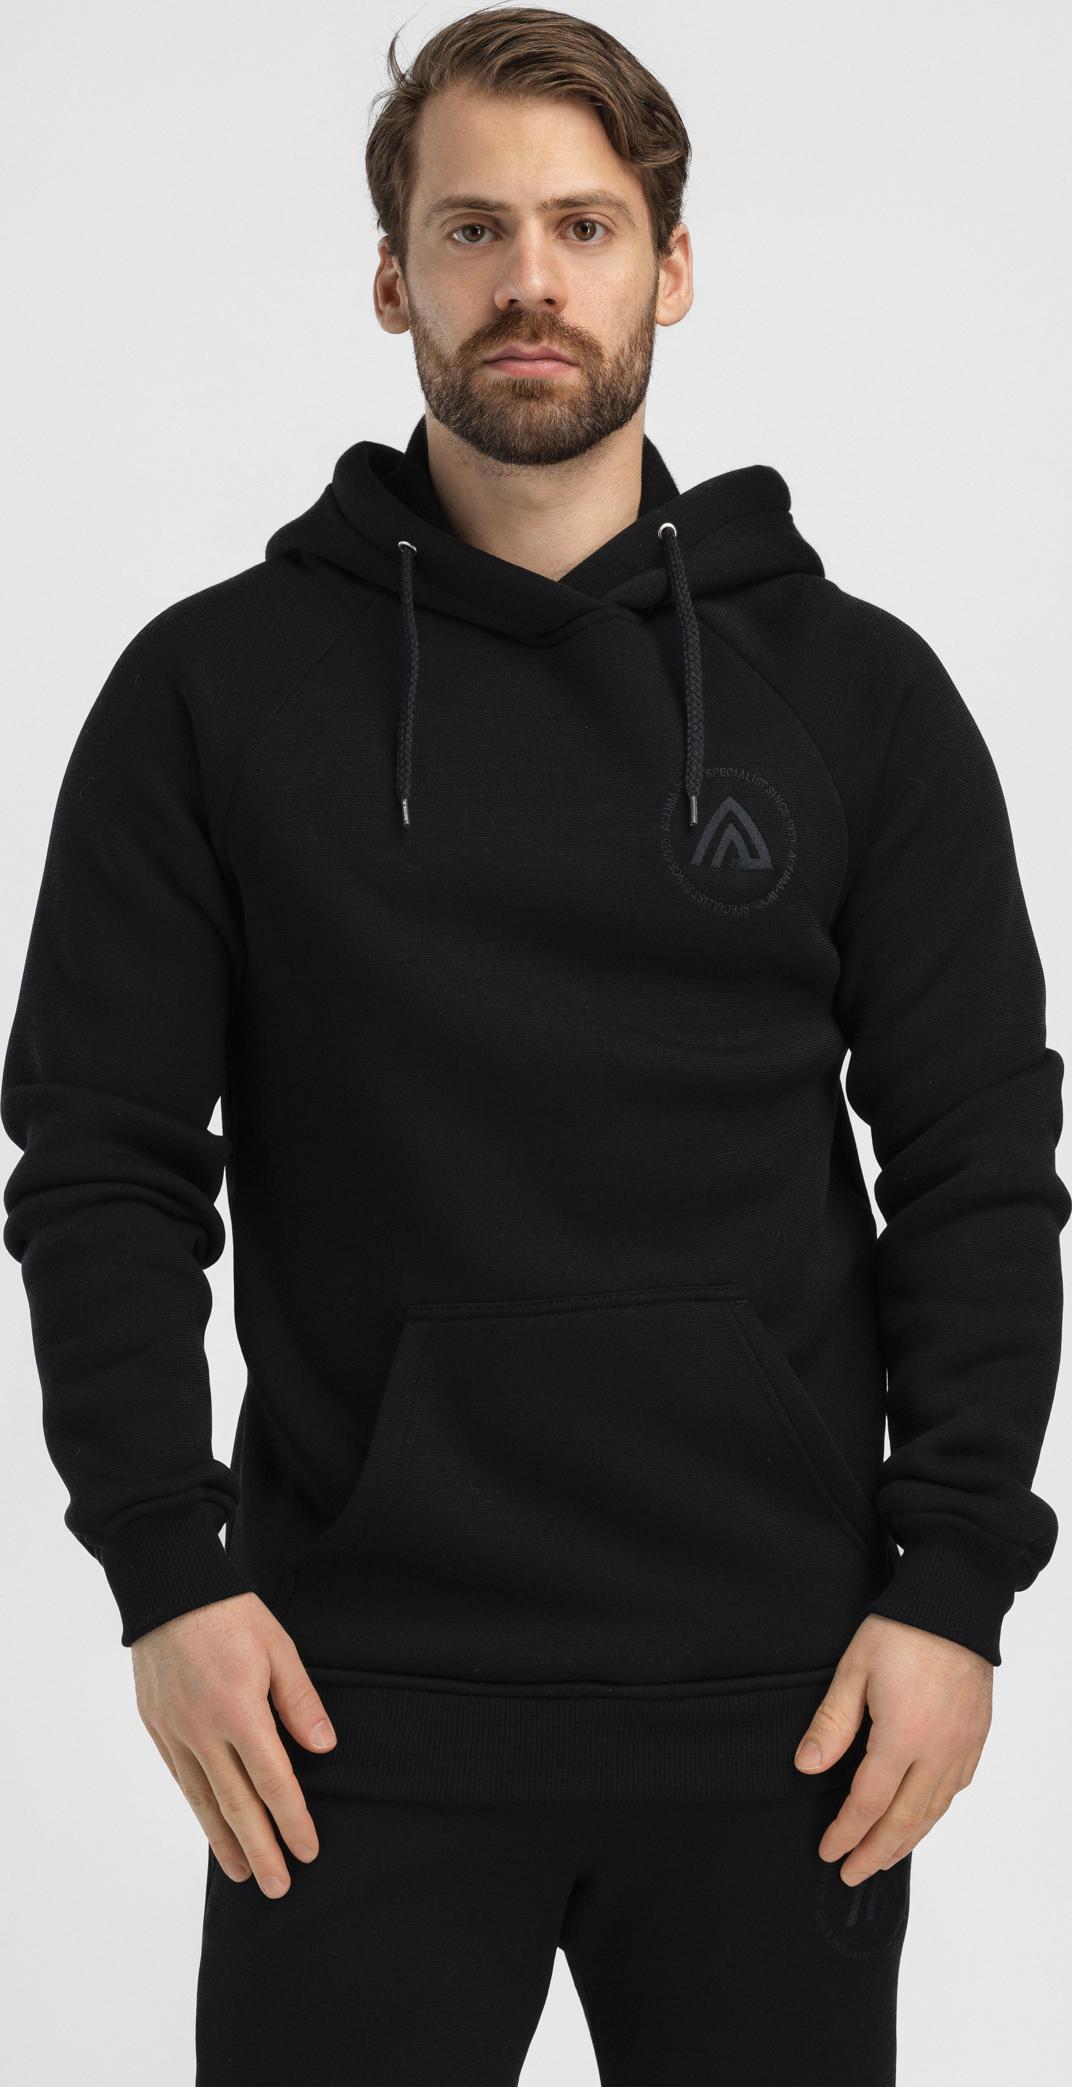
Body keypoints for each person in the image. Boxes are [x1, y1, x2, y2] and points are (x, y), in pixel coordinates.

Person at [2, 9, 1067, 2083]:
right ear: (390, 277)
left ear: (672, 267)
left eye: (584, 227)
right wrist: (164, 1581)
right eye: (471, 228)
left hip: (785, 1713)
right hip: (344, 1712)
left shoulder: (856, 697)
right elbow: (102, 1161)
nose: (529, 281)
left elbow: (975, 1162)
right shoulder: (211, 695)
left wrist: (953, 1590)